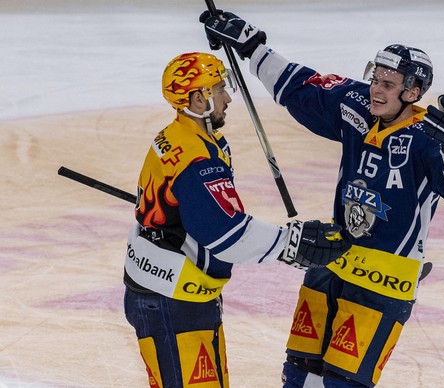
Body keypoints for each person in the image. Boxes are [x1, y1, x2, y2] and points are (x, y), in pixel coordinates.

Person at [201, 12, 444, 388]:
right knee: (298, 373)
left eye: (388, 84)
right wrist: (253, 47)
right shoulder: (357, 105)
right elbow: (301, 87)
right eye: (375, 79)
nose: (376, 89)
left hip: (384, 279)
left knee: (342, 383)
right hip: (333, 258)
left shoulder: (429, 137)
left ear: (413, 92)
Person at [123, 51, 351, 388]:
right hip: (171, 301)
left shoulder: (188, 137)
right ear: (197, 99)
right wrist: (292, 243)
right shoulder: (196, 158)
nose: (227, 97)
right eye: (218, 89)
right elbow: (226, 234)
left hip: (177, 293)